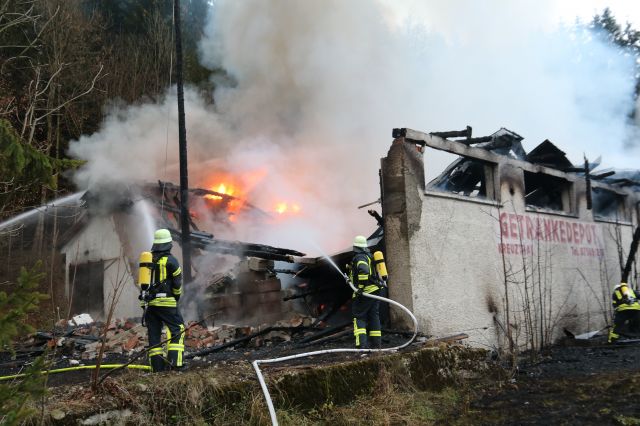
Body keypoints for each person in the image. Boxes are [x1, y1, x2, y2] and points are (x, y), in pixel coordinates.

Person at [141, 229, 185, 371]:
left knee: (154, 334)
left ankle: (157, 368)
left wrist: (144, 303)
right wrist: (176, 297)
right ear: (169, 244)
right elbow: (177, 283)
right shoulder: (171, 261)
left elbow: (142, 284)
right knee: (178, 329)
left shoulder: (147, 261)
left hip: (149, 304)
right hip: (166, 303)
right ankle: (175, 364)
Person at [348, 235, 384, 349]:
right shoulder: (369, 255)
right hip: (376, 290)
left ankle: (361, 345)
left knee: (359, 316)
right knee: (374, 316)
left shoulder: (360, 257)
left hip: (366, 292)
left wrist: (360, 288)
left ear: (355, 247)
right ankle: (376, 344)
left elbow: (364, 271)